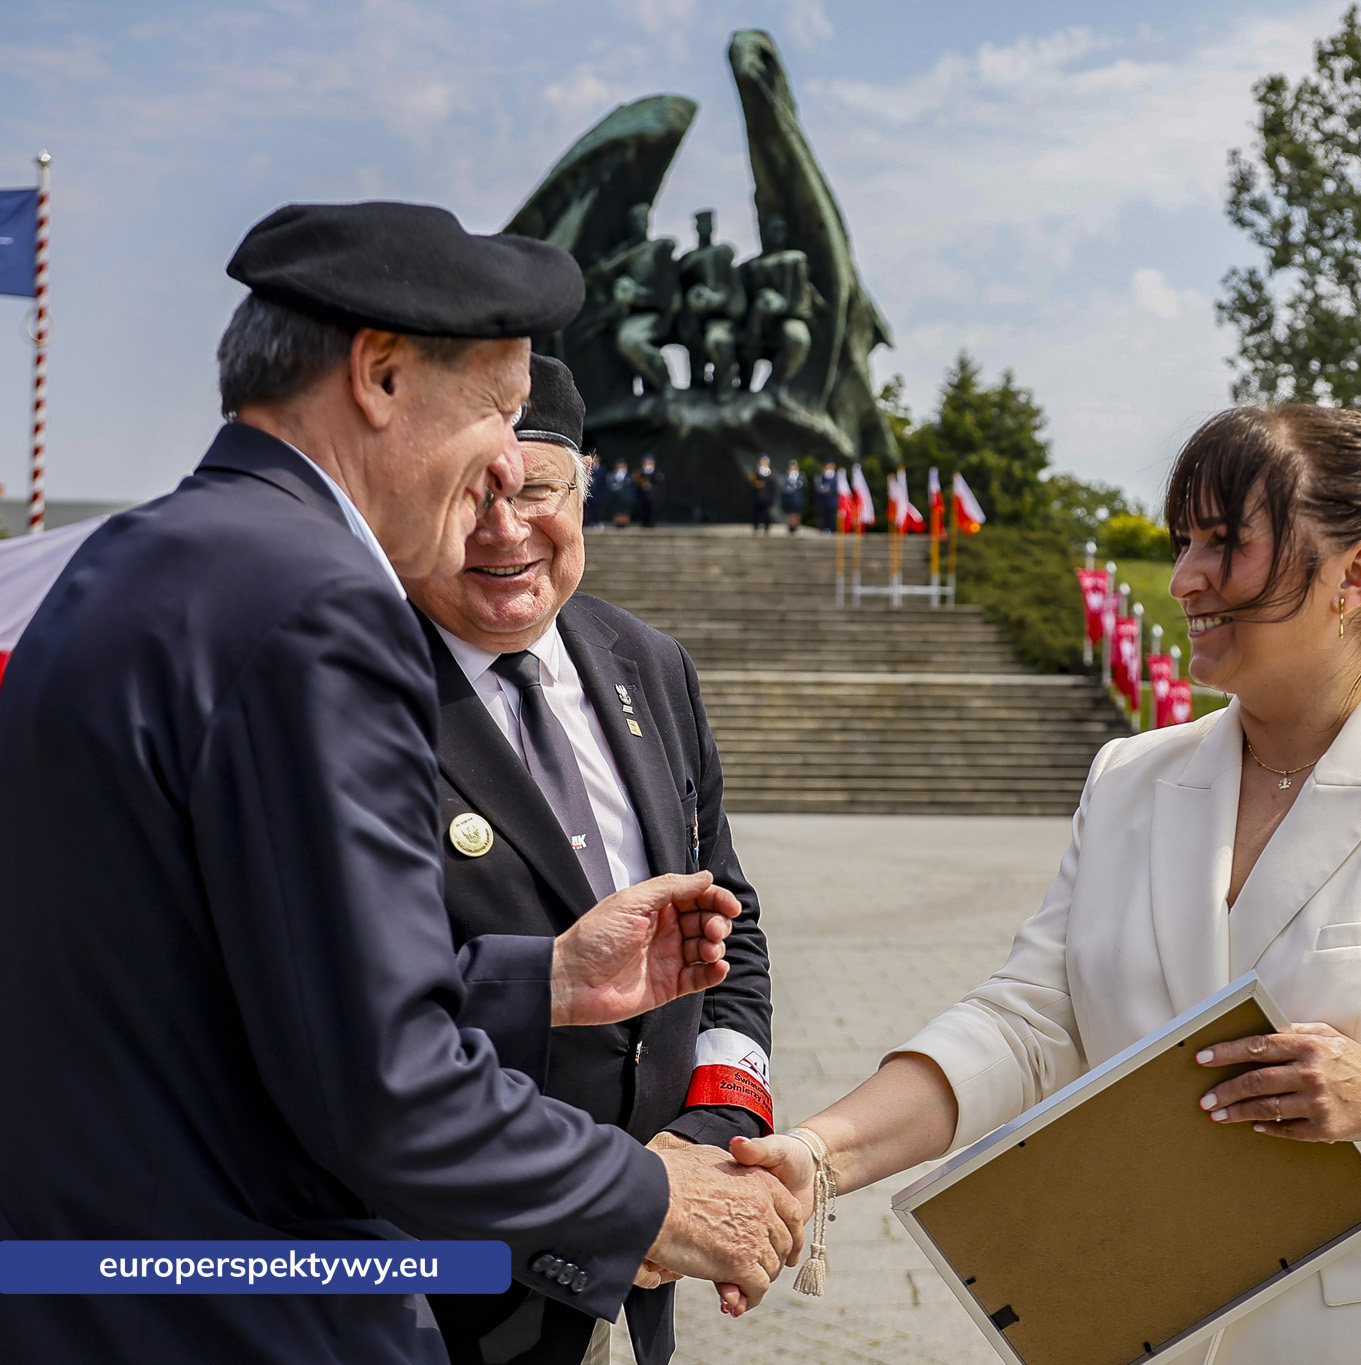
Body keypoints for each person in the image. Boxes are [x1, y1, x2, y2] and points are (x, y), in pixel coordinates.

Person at [0, 203, 803, 1364]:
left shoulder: (143, 560)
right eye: (497, 410)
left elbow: (241, 990)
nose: (505, 467)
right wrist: (653, 1198)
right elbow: (384, 1087)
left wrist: (542, 980)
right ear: (378, 375)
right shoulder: (321, 603)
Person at [730, 404, 1361, 1363]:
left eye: (1226, 543)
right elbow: (1027, 1022)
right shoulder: (1129, 778)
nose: (1185, 578)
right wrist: (819, 1152)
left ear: (1356, 576)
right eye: (1184, 542)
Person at [406, 357, 777, 1364]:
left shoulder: (646, 662)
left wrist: (710, 1132)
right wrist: (627, 1200)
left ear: (585, 491)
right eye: (471, 493)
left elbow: (729, 926)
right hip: (440, 1281)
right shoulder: (358, 686)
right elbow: (353, 1018)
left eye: (536, 489)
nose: (504, 529)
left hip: (637, 1273)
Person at [633, 454, 667, 528]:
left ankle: (652, 523)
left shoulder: (658, 473)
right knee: (643, 512)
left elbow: (660, 486)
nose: (648, 463)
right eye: (646, 461)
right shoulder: (639, 473)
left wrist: (651, 487)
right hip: (642, 497)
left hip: (653, 498)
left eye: (650, 461)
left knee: (652, 512)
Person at [778, 458, 807, 534]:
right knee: (790, 514)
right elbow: (784, 489)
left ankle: (795, 527)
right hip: (788, 500)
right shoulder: (785, 477)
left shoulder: (802, 477)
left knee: (797, 514)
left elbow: (804, 490)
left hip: (799, 500)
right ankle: (790, 527)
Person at [748, 455, 775, 535]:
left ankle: (766, 528)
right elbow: (752, 484)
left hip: (767, 497)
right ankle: (755, 527)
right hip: (757, 497)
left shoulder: (771, 474)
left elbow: (772, 486)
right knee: (756, 513)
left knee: (766, 514)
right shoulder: (755, 473)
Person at [606, 458, 636, 530]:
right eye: (619, 465)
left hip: (626, 497)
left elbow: (631, 485)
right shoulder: (612, 475)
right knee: (617, 510)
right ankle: (617, 522)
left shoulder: (630, 475)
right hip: (616, 497)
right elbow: (610, 484)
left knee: (625, 510)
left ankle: (625, 522)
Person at [812, 459, 840, 533]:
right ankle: (824, 528)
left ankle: (832, 529)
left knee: (832, 515)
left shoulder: (837, 476)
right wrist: (824, 490)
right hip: (823, 500)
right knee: (824, 515)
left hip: (833, 500)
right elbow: (818, 487)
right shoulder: (820, 476)